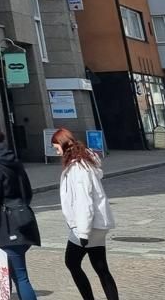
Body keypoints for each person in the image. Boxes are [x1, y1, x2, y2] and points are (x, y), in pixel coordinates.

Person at [53, 128, 119, 300]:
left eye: (56, 147)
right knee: (101, 268)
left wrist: (82, 232)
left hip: (86, 226)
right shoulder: (84, 162)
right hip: (96, 224)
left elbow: (84, 201)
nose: (56, 152)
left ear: (63, 144)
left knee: (71, 262)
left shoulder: (78, 168)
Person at [0, 125, 40, 300]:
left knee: (20, 276)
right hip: (23, 219)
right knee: (12, 274)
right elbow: (27, 190)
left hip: (8, 226)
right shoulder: (13, 159)